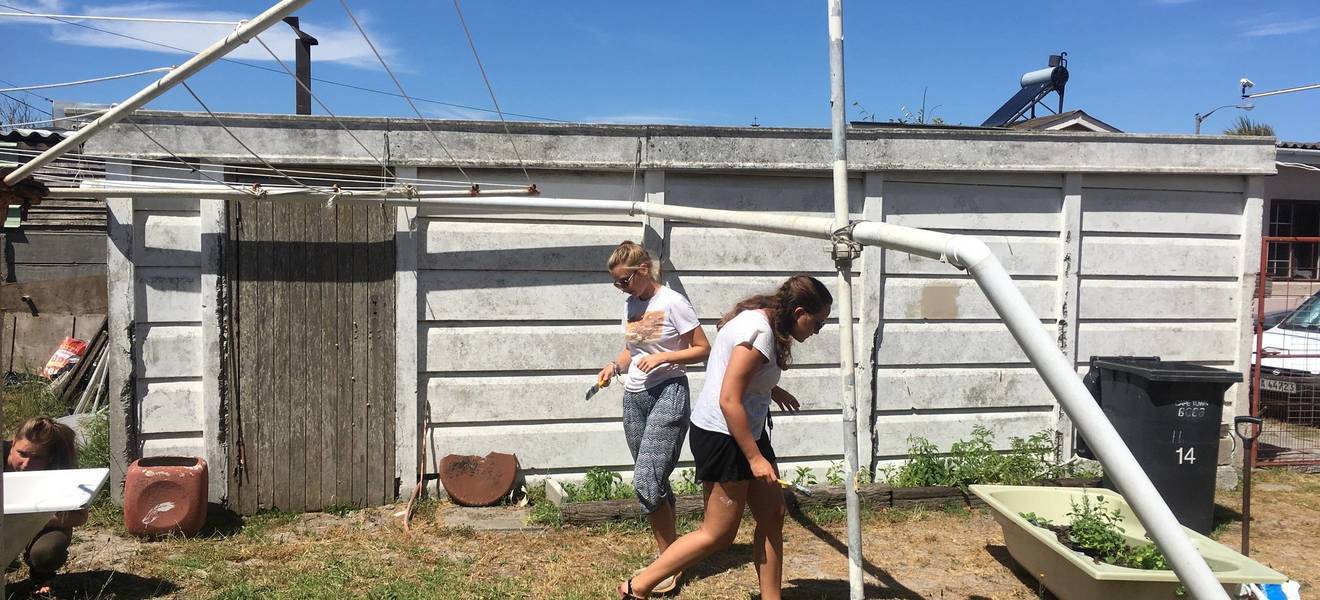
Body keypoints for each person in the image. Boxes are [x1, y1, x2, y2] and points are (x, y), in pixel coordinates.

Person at [619, 275, 832, 600]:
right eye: (817, 323)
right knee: (718, 533)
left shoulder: (763, 318)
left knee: (772, 514)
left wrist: (770, 389)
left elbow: (736, 370)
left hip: (746, 431)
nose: (818, 331)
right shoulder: (759, 331)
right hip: (724, 436)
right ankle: (638, 586)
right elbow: (728, 399)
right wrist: (754, 458)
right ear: (800, 311)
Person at [597, 241, 710, 595]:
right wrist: (614, 365)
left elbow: (703, 348)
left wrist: (665, 360)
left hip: (668, 393)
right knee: (656, 481)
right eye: (616, 282)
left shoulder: (673, 302)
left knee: (646, 481)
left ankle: (667, 566)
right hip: (635, 398)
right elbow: (634, 350)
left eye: (624, 280)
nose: (621, 288)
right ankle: (672, 556)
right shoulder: (632, 303)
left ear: (643, 270)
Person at [4, 416, 86, 596]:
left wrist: (35, 521)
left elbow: (79, 517)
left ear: (49, 459)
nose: (26, 465)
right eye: (22, 454)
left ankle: (41, 576)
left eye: (36, 458)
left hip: (41, 523)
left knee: (47, 552)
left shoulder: (60, 470)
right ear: (12, 444)